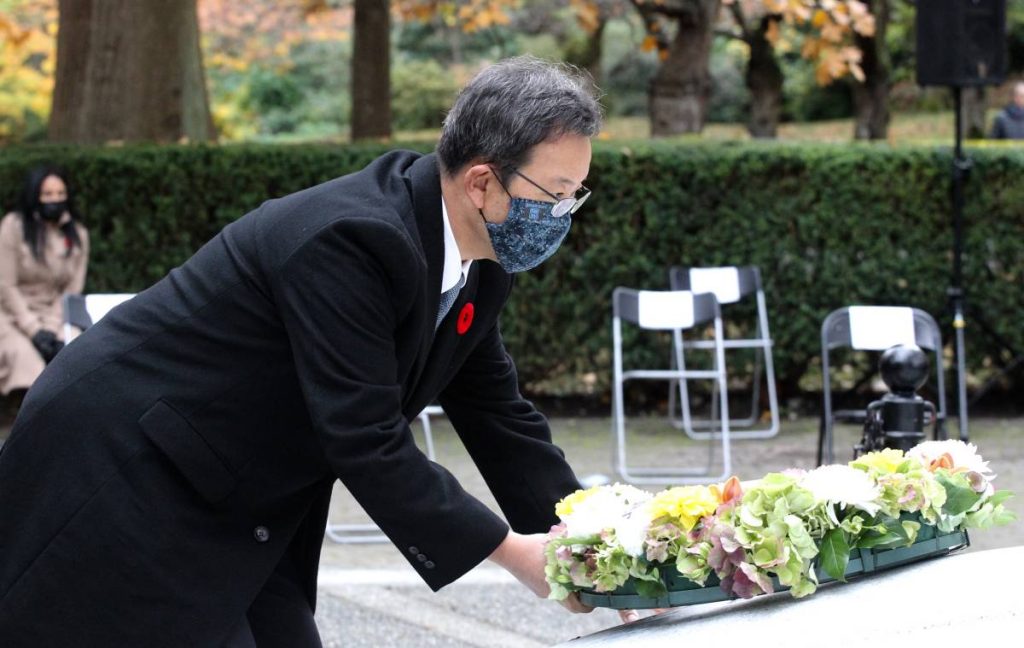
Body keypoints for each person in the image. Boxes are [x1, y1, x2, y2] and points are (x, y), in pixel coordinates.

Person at [0, 57, 625, 646]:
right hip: (131, 466)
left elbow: (499, 416)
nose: (564, 214)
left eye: (577, 194)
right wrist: (513, 553)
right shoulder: (352, 240)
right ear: (482, 181)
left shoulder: (478, 263)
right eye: (556, 193)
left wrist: (597, 540)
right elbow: (365, 436)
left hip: (241, 490)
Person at [0, 166, 89, 407]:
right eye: (48, 194)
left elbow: (71, 291)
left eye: (60, 194)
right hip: (11, 314)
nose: (55, 200)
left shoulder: (77, 235)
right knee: (27, 363)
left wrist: (50, 329)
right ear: (35, 195)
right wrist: (34, 330)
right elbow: (6, 286)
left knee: (74, 356)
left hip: (55, 314)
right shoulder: (13, 227)